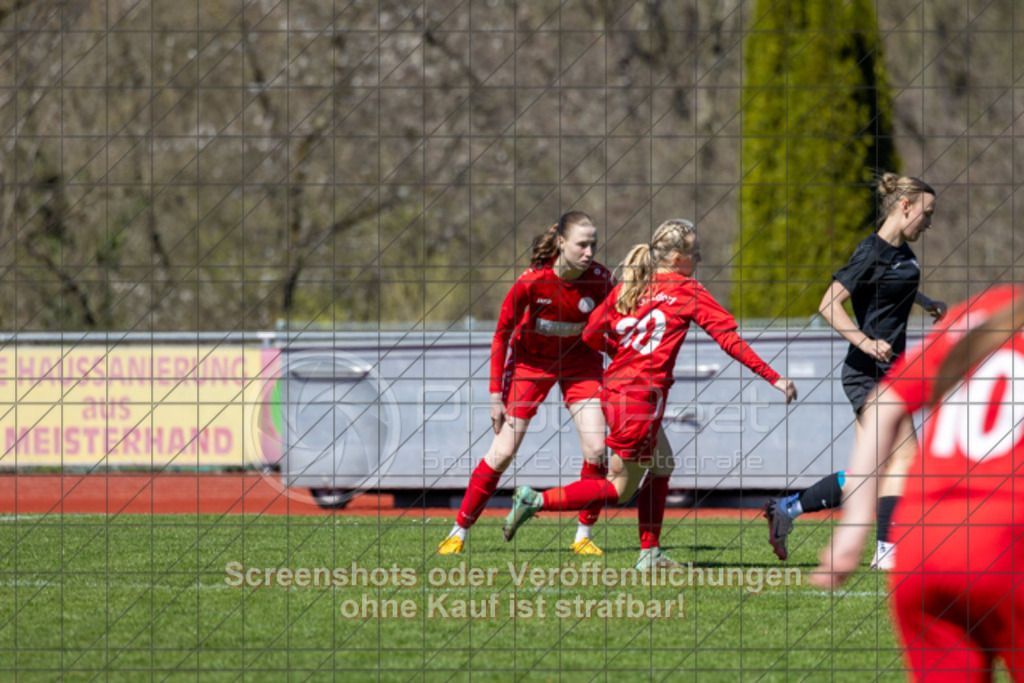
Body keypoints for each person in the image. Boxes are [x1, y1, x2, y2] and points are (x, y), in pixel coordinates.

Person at [502, 219, 797, 569]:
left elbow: (591, 332)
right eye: (694, 252)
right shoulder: (687, 289)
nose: (699, 257)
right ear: (676, 257)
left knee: (663, 463)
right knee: (619, 489)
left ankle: (650, 553)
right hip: (640, 400)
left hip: (615, 390)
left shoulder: (634, 284)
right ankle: (536, 500)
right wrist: (773, 377)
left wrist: (622, 354)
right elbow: (728, 340)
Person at [812, 284, 1024, 681]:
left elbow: (884, 404)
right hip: (1007, 544)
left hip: (923, 547)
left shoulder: (979, 312)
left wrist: (852, 533)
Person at [763, 172, 946, 567]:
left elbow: (891, 285)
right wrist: (866, 342)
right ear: (905, 206)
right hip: (868, 373)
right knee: (906, 458)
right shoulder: (870, 251)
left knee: (871, 473)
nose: (929, 223)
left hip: (890, 372)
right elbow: (828, 304)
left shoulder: (901, 251)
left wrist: (926, 302)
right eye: (927, 213)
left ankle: (787, 509)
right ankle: (887, 550)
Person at [438, 210, 615, 555]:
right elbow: (501, 334)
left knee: (597, 450)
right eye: (582, 244)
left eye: (593, 244)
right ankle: (457, 532)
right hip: (530, 365)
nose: (589, 252)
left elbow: (615, 326)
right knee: (503, 452)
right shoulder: (531, 282)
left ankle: (583, 537)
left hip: (580, 365)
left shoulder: (601, 279)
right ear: (561, 243)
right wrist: (495, 395)